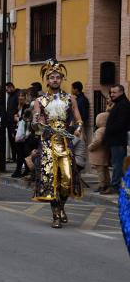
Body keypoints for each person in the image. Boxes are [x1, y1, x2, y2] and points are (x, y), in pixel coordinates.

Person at [32, 59, 84, 228]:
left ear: (62, 80)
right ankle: (55, 214)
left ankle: (61, 206)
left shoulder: (70, 99)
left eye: (58, 77)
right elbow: (35, 123)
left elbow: (79, 119)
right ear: (47, 80)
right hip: (47, 144)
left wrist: (78, 128)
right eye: (51, 77)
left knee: (67, 179)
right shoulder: (40, 101)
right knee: (51, 180)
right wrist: (37, 122)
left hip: (65, 143)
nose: (54, 80)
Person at [102, 85, 130, 194]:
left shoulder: (123, 105)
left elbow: (120, 124)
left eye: (114, 92)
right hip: (115, 139)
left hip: (118, 139)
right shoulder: (119, 104)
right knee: (117, 163)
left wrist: (109, 130)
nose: (112, 95)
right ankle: (118, 185)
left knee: (117, 164)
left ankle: (115, 186)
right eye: (111, 93)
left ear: (121, 92)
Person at [88, 112, 110, 193]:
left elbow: (98, 140)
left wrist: (90, 147)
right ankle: (107, 183)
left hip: (98, 154)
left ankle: (102, 185)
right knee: (105, 170)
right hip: (104, 153)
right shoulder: (106, 129)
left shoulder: (99, 130)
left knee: (100, 171)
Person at [12, 90, 31, 177]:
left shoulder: (27, 106)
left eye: (22, 96)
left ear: (25, 97)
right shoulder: (18, 106)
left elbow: (26, 119)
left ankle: (23, 170)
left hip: (25, 133)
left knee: (23, 152)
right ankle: (20, 170)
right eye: (19, 96)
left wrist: (17, 119)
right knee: (19, 152)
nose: (20, 97)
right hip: (18, 132)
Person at [5, 82, 20, 162]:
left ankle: (18, 158)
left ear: (11, 87)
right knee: (12, 141)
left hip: (15, 122)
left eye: (7, 89)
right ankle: (14, 158)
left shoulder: (17, 94)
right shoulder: (10, 96)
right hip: (10, 122)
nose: (6, 91)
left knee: (16, 141)